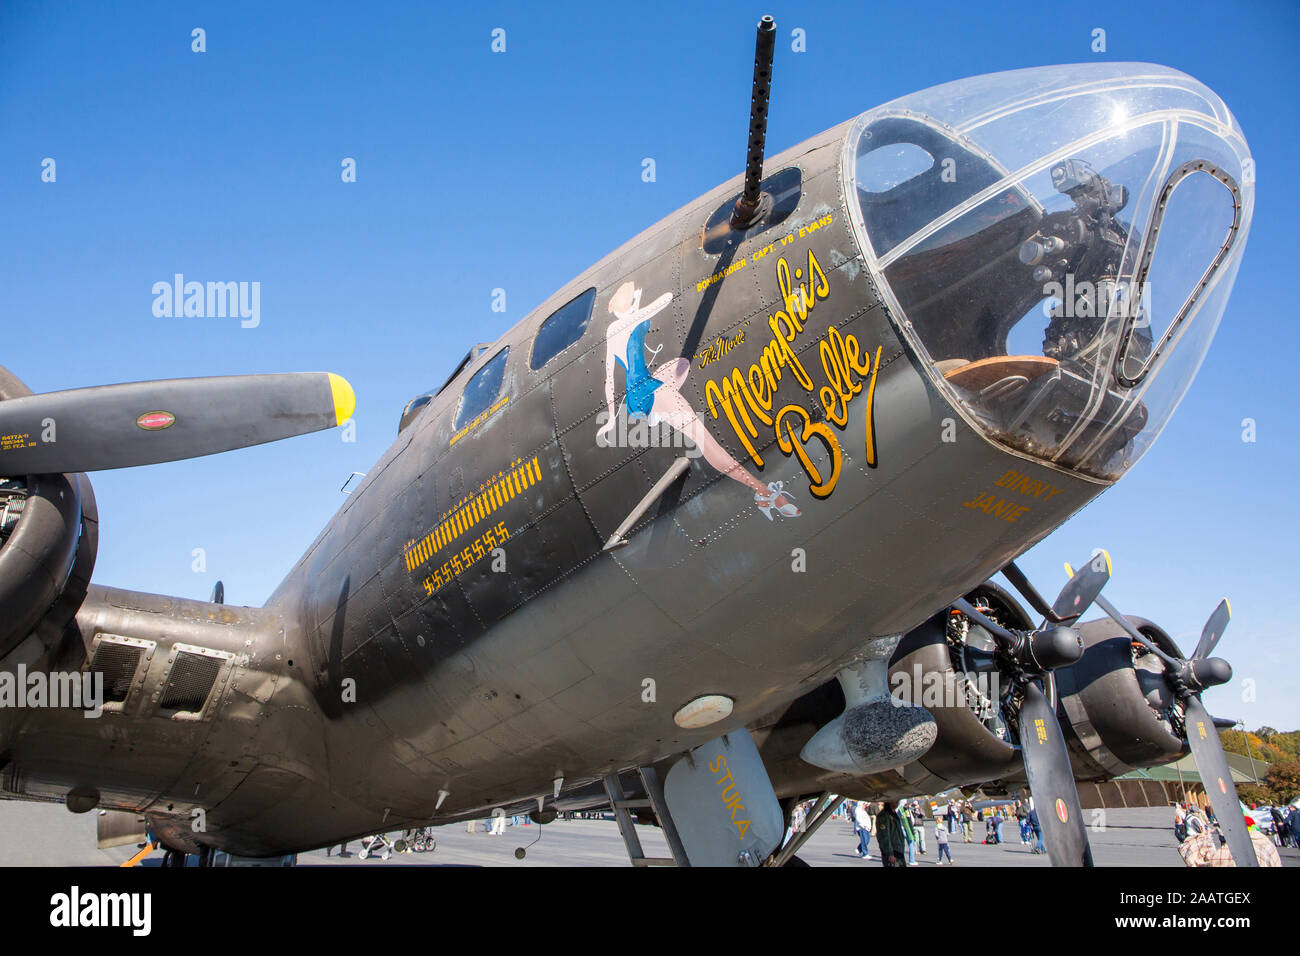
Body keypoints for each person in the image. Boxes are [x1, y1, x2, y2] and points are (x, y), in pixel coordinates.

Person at [595, 281, 800, 521]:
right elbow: (666, 297)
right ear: (622, 304)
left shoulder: (611, 332)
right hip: (650, 391)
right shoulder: (632, 318)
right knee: (707, 443)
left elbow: (609, 380)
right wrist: (639, 307)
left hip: (634, 398)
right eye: (627, 297)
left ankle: (658, 413)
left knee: (681, 365)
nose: (630, 298)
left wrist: (611, 419)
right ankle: (763, 492)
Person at [875, 800, 908, 867]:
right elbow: (884, 836)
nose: (897, 801)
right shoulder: (884, 815)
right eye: (895, 800)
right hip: (892, 850)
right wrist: (890, 853)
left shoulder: (893, 814)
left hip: (898, 850)